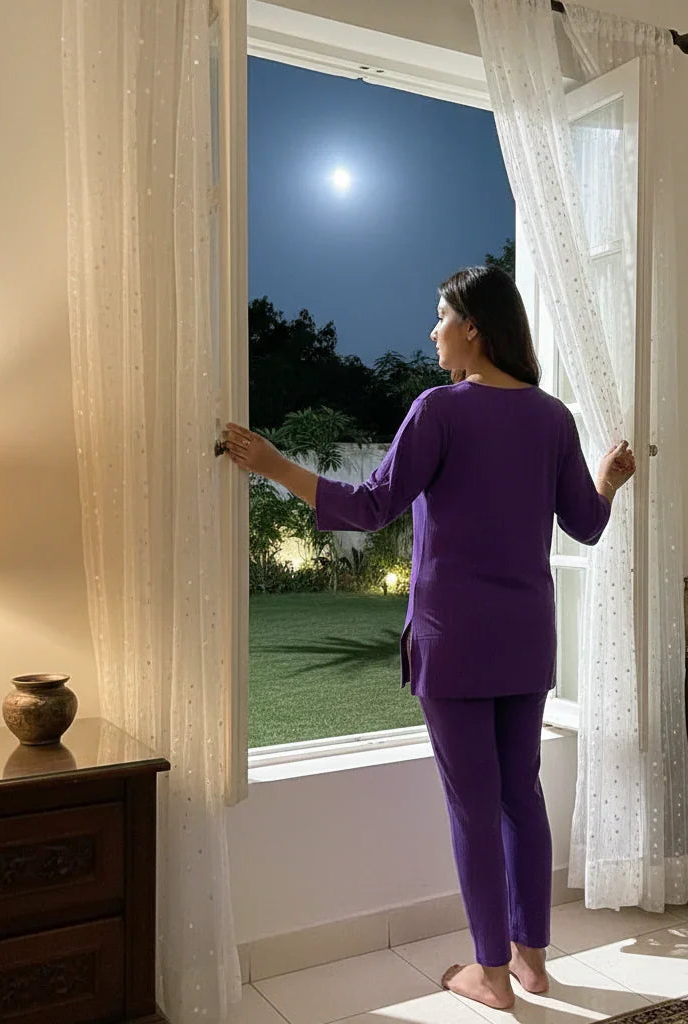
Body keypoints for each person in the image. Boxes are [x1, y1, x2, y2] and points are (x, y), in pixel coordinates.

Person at [223, 264, 636, 1010]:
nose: (433, 331)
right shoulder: (551, 418)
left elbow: (373, 505)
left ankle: (491, 974)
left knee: (474, 808)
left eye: (440, 316)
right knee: (521, 798)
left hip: (455, 642)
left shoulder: (439, 409)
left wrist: (275, 465)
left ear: (473, 328)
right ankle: (532, 959)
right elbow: (586, 524)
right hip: (526, 641)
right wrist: (606, 480)